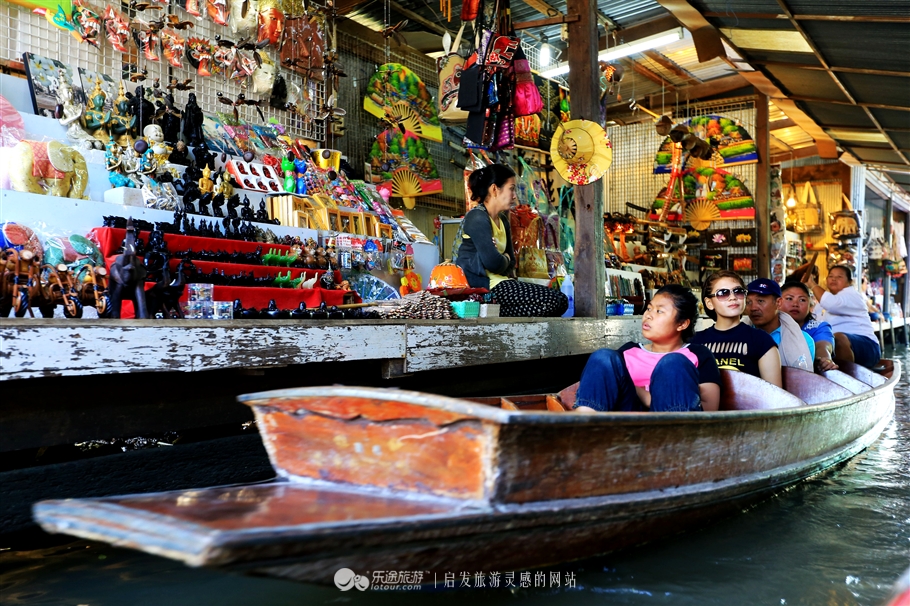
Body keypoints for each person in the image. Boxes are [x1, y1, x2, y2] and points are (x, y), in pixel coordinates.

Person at [574, 284, 720, 412]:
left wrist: (650, 397)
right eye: (649, 308)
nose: (648, 315)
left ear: (682, 324)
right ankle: (583, 426)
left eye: (659, 311)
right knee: (603, 356)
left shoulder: (698, 354)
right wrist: (644, 395)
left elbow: (710, 409)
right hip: (627, 422)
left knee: (673, 363)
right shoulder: (628, 352)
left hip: (674, 426)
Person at [455, 164, 568, 317]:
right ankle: (491, 310)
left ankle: (495, 312)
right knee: (553, 301)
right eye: (511, 189)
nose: (514, 196)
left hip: (501, 283)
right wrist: (505, 258)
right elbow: (493, 263)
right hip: (485, 288)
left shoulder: (503, 220)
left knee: (561, 301)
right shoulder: (477, 217)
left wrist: (503, 258)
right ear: (494, 189)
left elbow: (509, 263)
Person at [691, 270, 782, 387]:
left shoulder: (761, 341)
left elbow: (775, 394)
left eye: (738, 292)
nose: (733, 297)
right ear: (709, 303)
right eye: (723, 293)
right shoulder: (695, 342)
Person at [807, 265, 881, 368]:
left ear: (850, 282)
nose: (834, 279)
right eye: (831, 276)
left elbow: (831, 304)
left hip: (867, 347)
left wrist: (812, 284)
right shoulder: (822, 301)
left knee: (838, 338)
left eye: (839, 277)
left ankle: (846, 374)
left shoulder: (852, 295)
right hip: (831, 346)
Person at [744, 278, 814, 371]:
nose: (753, 308)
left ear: (778, 303)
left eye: (760, 301)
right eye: (748, 302)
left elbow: (802, 377)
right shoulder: (738, 335)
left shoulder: (804, 341)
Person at [779, 281, 838, 372]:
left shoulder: (819, 327)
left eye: (802, 300)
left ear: (810, 305)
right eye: (789, 298)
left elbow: (823, 346)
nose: (795, 304)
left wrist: (824, 360)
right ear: (778, 302)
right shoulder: (769, 326)